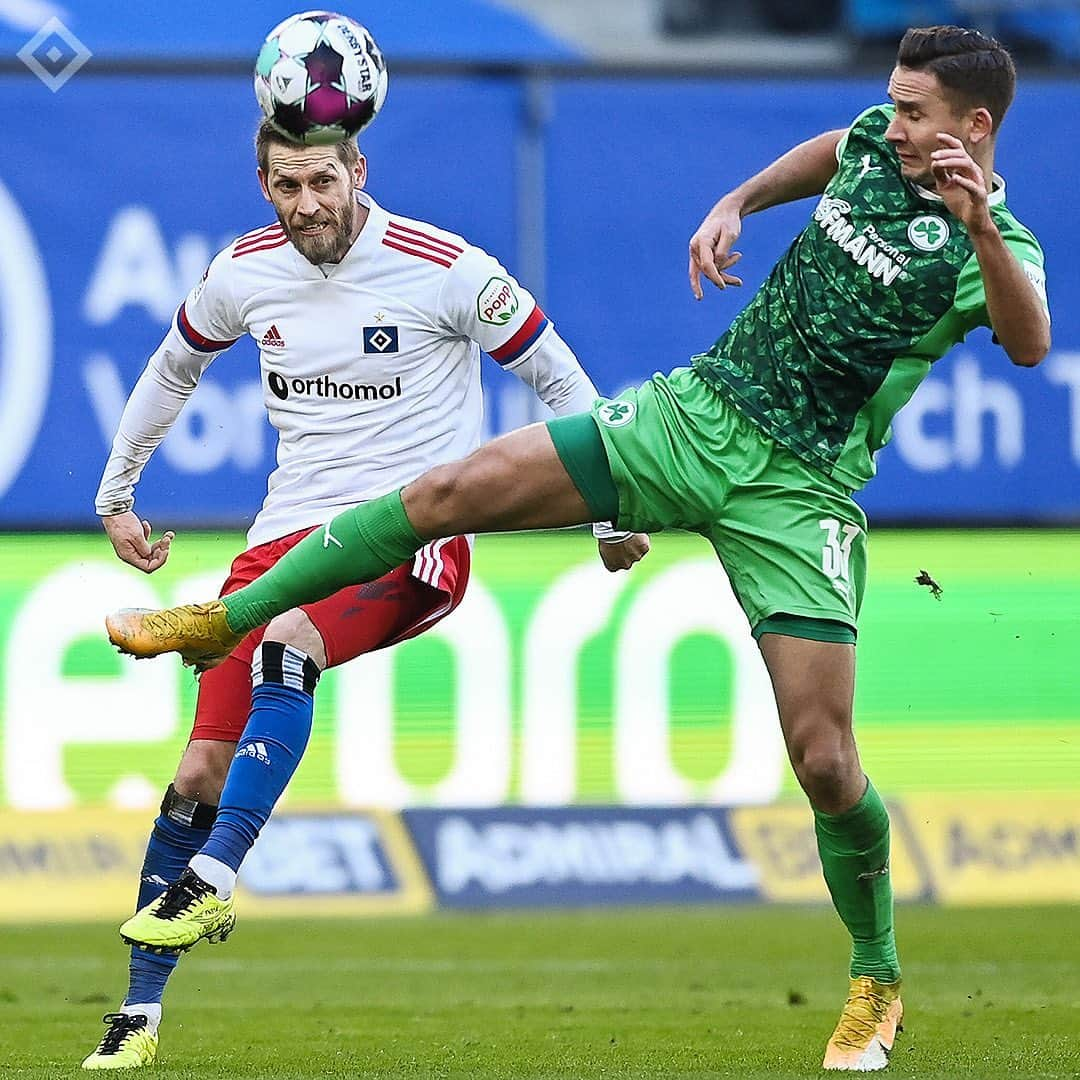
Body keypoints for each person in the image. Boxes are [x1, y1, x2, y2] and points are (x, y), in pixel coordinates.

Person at [106, 25, 1050, 1072]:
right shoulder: (879, 140)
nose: (896, 123)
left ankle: (875, 978)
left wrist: (982, 231)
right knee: (447, 489)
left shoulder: (993, 245)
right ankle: (219, 617)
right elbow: (836, 144)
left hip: (802, 491)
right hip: (695, 415)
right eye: (893, 102)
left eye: (919, 114)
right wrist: (738, 202)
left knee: (826, 764)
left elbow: (1029, 339)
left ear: (976, 128)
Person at [82, 119, 647, 1070]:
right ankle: (136, 1023)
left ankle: (216, 876)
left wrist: (605, 507)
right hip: (281, 544)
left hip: (408, 537)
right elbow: (173, 365)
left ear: (359, 173)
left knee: (287, 637)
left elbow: (556, 374)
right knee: (196, 778)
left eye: (322, 182)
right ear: (263, 182)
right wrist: (117, 490)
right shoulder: (246, 270)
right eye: (286, 186)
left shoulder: (448, 267)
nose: (307, 206)